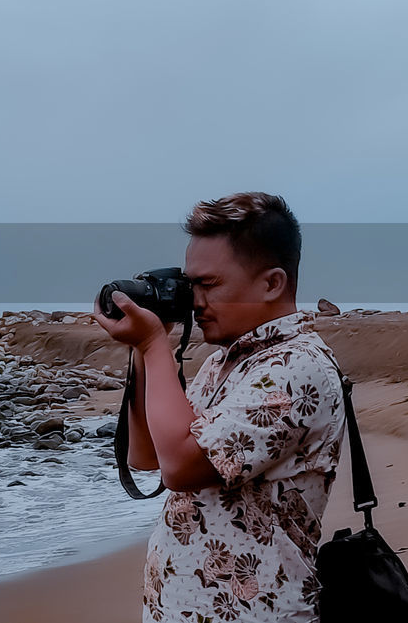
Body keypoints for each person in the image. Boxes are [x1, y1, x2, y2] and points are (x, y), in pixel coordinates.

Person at [91, 192, 347, 623]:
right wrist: (143, 348)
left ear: (272, 283)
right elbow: (148, 455)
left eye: (208, 285)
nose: (195, 300)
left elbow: (181, 468)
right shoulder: (222, 363)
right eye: (190, 285)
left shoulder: (298, 367)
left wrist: (154, 344)